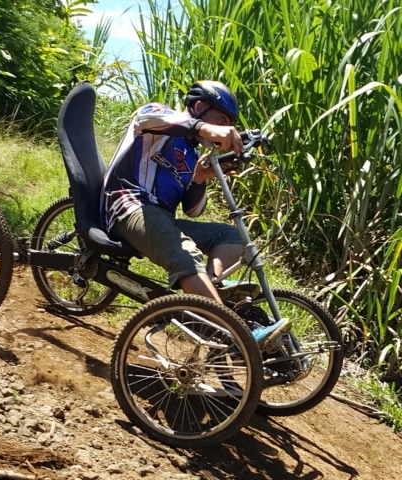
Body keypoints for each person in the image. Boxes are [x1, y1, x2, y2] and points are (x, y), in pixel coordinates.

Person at [100, 80, 290, 349]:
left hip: (161, 219)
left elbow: (193, 210)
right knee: (186, 252)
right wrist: (205, 127)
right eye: (221, 119)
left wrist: (200, 178)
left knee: (231, 235)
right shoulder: (157, 114)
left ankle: (209, 291)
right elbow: (150, 119)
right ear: (199, 106)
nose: (224, 128)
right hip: (127, 205)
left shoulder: (191, 156)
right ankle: (234, 334)